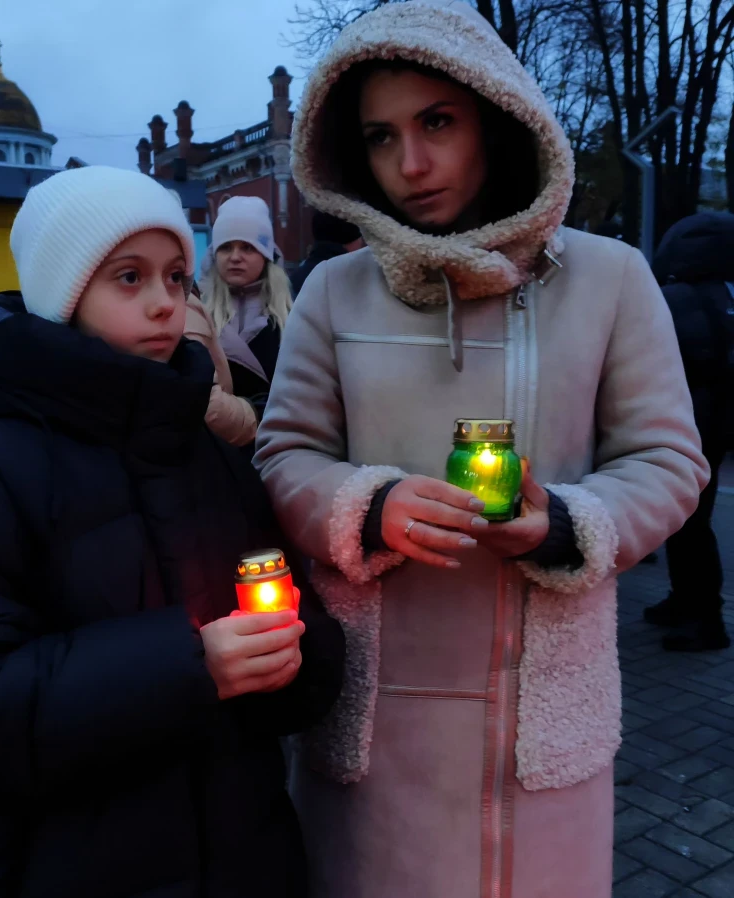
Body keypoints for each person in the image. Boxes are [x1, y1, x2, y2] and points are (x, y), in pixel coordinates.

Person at [253, 3, 708, 897]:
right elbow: (283, 457)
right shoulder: (333, 292)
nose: (410, 166)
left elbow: (669, 460)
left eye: (437, 123)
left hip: (538, 726)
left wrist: (567, 525)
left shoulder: (612, 280)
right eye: (381, 137)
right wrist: (370, 507)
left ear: (498, 118)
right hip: (376, 722)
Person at [0, 166, 344, 898]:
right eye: (129, 277)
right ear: (65, 294)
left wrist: (294, 656)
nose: (165, 305)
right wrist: (189, 667)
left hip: (242, 854)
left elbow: (286, 601)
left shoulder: (206, 457)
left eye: (178, 277)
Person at [643, 211, 734, 651]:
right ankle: (685, 601)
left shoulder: (672, 298)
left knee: (689, 521)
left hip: (686, 425)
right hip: (717, 424)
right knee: (689, 518)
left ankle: (707, 620)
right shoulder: (725, 294)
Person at [202, 196, 293, 431]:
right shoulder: (195, 312)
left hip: (273, 441)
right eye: (225, 247)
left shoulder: (291, 316)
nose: (235, 257)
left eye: (247, 247)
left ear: (266, 254)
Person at [184, 282, 258, 446]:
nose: (235, 257)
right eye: (224, 253)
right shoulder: (185, 304)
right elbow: (205, 404)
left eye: (249, 253)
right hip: (220, 438)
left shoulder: (284, 311)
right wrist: (256, 411)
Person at [290, 210, 364, 297]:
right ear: (349, 240)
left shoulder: (294, 279)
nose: (362, 243)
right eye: (360, 237)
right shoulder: (356, 280)